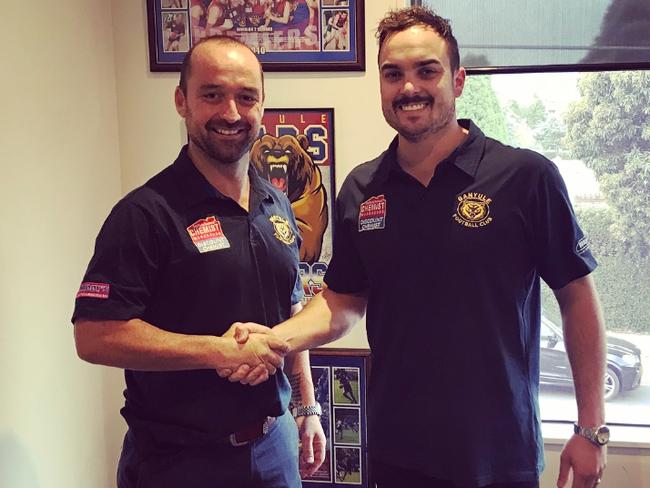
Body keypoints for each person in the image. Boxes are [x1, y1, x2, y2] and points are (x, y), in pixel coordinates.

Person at [223, 6, 609, 488]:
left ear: (459, 80)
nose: (409, 87)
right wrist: (277, 339)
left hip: (500, 455)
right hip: (398, 455)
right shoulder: (362, 189)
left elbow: (577, 295)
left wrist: (591, 427)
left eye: (427, 70)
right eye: (393, 74)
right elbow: (343, 301)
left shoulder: (526, 177)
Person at [72, 35, 325, 488]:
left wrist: (306, 407)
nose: (230, 113)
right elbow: (94, 335)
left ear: (262, 107)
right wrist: (218, 351)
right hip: (177, 461)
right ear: (181, 101)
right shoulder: (144, 213)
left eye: (246, 97)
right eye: (212, 94)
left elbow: (292, 312)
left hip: (275, 448)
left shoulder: (276, 204)